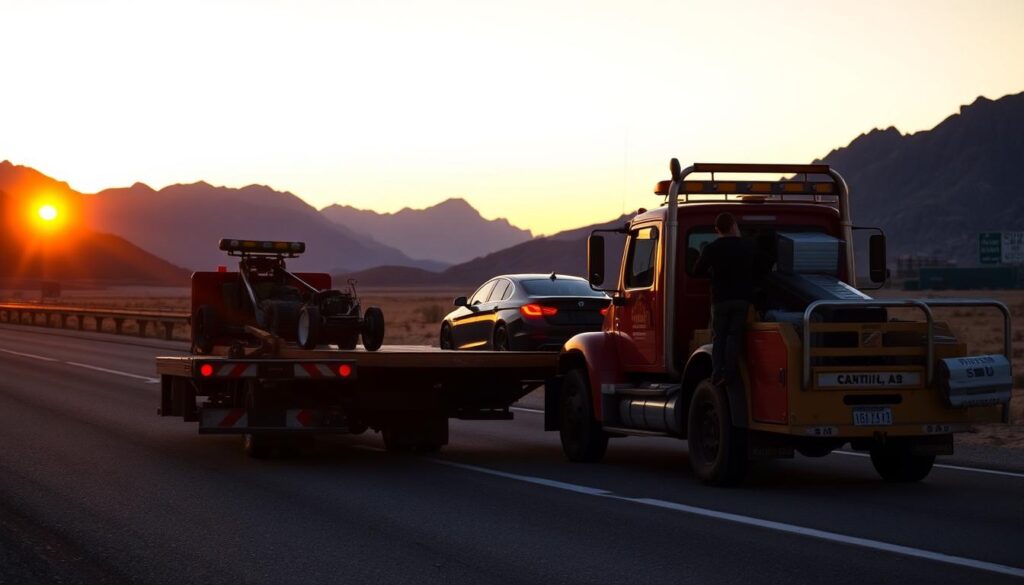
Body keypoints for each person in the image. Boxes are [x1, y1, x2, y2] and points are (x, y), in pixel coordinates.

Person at [693, 212, 755, 387]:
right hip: (742, 299)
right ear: (734, 226)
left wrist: (712, 273)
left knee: (719, 337)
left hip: (720, 299)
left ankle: (717, 373)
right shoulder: (747, 247)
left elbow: (697, 271)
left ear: (717, 230)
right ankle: (730, 373)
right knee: (734, 336)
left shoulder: (712, 249)